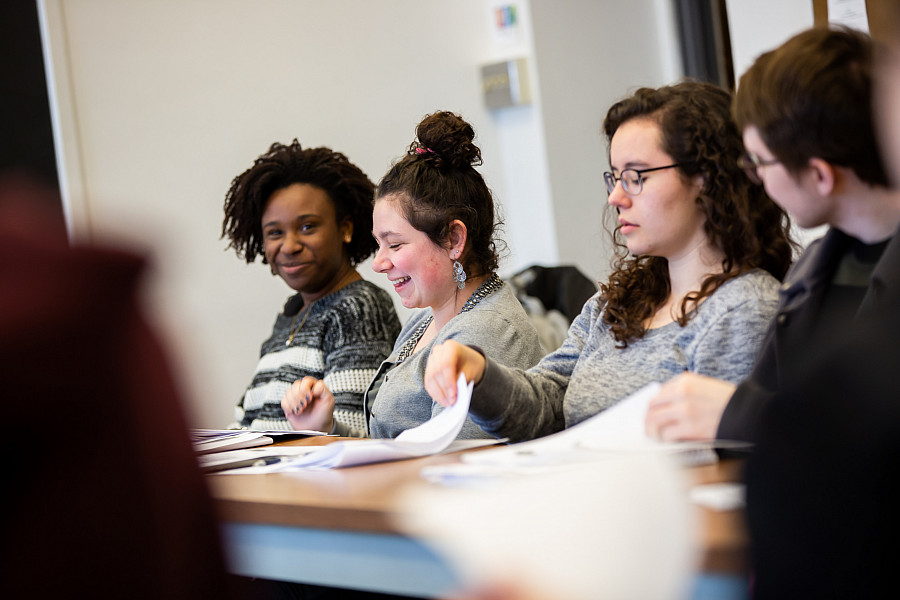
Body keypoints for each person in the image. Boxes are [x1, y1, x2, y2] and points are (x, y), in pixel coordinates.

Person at [423, 81, 795, 442]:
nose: (616, 196)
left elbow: (730, 462)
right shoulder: (615, 302)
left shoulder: (745, 307)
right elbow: (549, 403)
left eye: (635, 176)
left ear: (706, 178)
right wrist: (479, 373)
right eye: (615, 177)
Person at [645, 27, 900, 445]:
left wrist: (738, 414)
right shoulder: (812, 272)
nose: (756, 178)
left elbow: (869, 436)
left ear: (819, 175)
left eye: (760, 162)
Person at [280, 111, 544, 439]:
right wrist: (326, 429)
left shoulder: (488, 333)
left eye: (394, 244)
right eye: (379, 245)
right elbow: (398, 449)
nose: (378, 263)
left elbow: (458, 468)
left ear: (453, 239)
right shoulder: (425, 320)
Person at [222, 140, 401, 431]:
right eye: (275, 232)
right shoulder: (291, 315)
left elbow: (352, 434)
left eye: (307, 227)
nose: (289, 246)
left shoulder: (357, 307)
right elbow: (247, 423)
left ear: (345, 228)